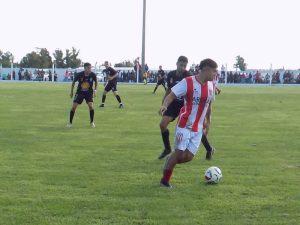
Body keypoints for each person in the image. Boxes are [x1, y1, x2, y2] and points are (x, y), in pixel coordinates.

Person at [159, 58, 218, 188]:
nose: (215, 74)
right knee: (179, 152)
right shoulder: (188, 82)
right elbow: (171, 95)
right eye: (214, 71)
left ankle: (170, 161)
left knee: (189, 157)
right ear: (206, 69)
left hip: (198, 127)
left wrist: (208, 121)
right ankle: (165, 180)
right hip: (185, 124)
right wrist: (164, 105)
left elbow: (209, 104)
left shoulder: (211, 85)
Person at [67, 62, 98, 128]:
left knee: (91, 106)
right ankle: (70, 122)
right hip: (80, 92)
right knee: (74, 107)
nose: (90, 69)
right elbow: (73, 83)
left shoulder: (93, 75)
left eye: (90, 68)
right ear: (85, 68)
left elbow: (96, 82)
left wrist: (95, 90)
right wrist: (71, 92)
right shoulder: (79, 74)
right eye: (89, 68)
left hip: (89, 92)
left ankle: (92, 122)